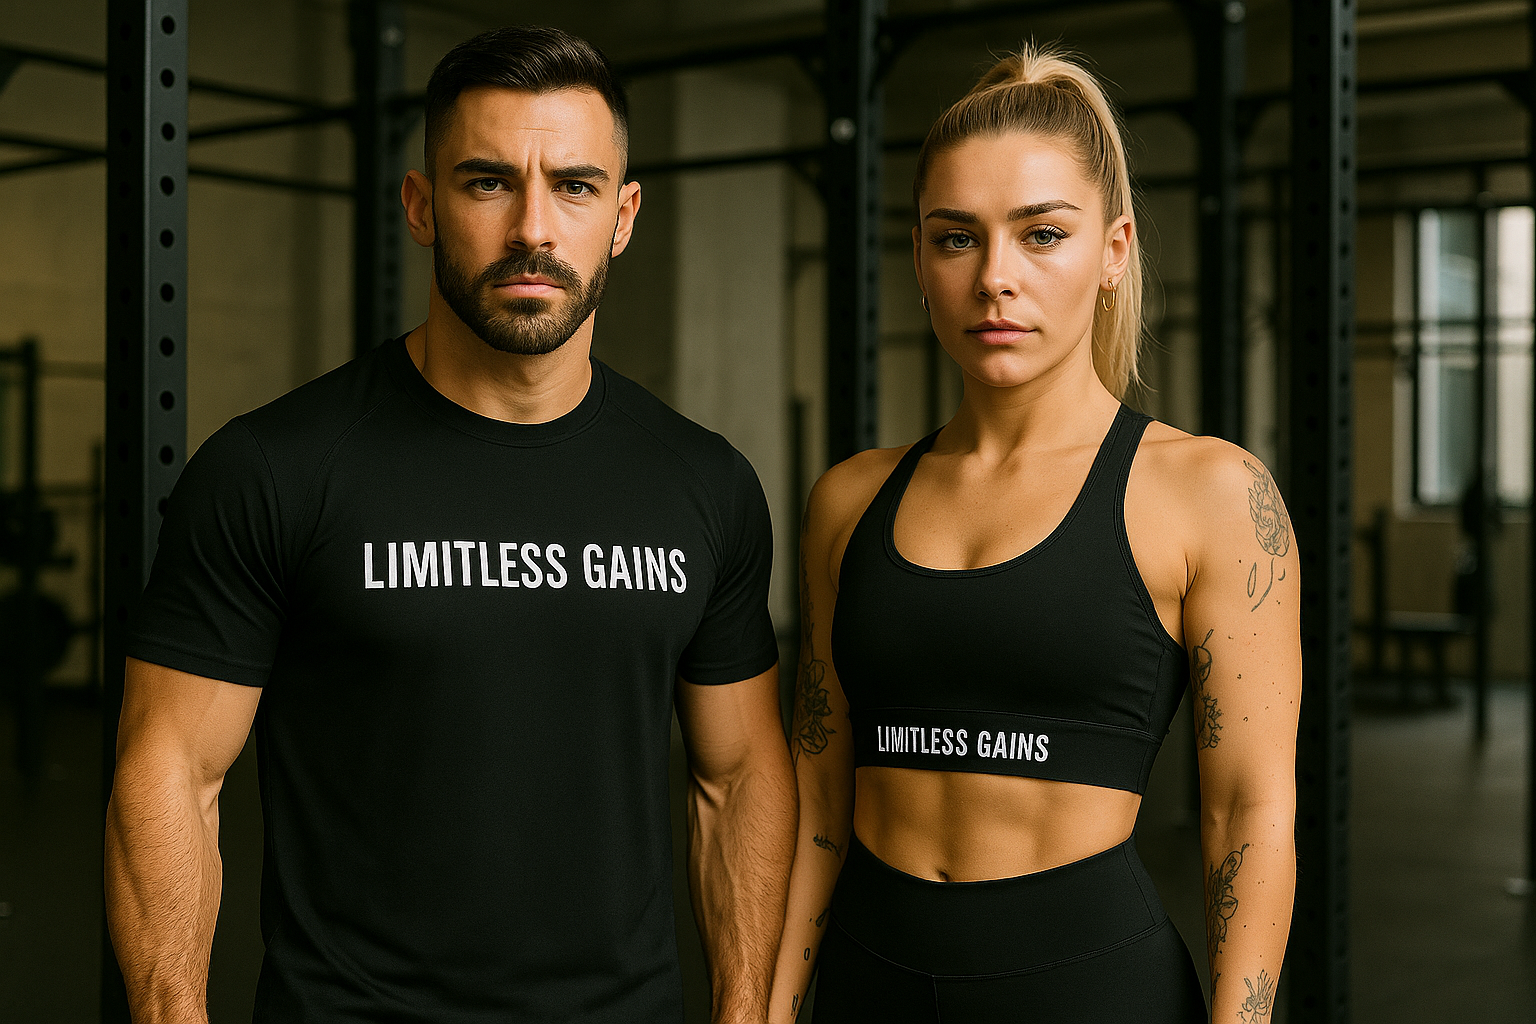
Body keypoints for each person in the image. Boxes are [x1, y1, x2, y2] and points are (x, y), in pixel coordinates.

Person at [106, 25, 796, 1024]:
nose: (532, 227)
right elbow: (169, 768)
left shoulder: (704, 483)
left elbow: (737, 778)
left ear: (624, 214)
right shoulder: (277, 468)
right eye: (486, 182)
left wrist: (750, 1015)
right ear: (422, 206)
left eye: (573, 184)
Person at [769, 44, 1299, 1024]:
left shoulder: (1210, 494)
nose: (995, 277)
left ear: (1113, 250)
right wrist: (764, 1010)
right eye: (956, 238)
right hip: (868, 979)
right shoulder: (848, 501)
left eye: (1042, 234)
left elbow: (1249, 817)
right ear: (921, 260)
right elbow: (814, 804)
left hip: (1087, 987)